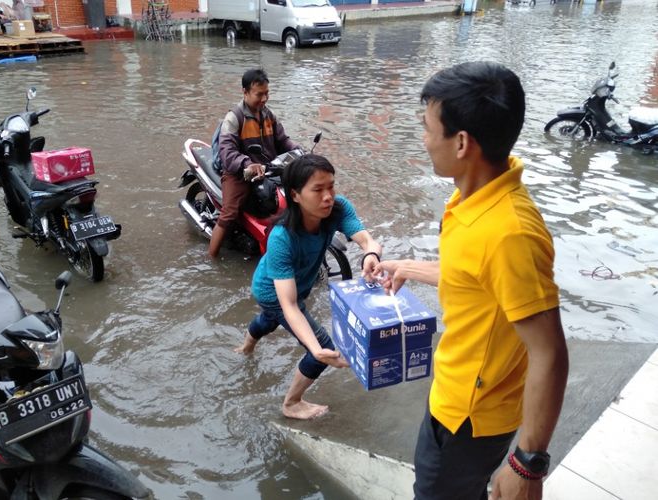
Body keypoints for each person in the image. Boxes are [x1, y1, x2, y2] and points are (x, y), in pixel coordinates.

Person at [374, 61, 569, 500]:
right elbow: (477, 281)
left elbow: (550, 351)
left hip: (470, 420)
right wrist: (406, 267)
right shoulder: (473, 199)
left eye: (427, 128)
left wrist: (527, 464)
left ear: (462, 142)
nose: (423, 141)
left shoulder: (510, 233)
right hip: (452, 392)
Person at [235, 154, 382, 420]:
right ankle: (291, 403)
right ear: (295, 195)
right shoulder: (281, 238)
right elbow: (289, 305)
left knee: (269, 322)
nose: (328, 196)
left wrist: (371, 254)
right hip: (272, 292)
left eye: (331, 186)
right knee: (320, 347)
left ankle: (246, 346)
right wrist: (315, 348)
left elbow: (365, 238)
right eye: (317, 189)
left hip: (297, 286)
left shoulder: (337, 209)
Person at [209, 68, 300, 258]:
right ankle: (211, 258)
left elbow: (283, 141)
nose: (264, 98)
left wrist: (299, 152)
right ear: (245, 92)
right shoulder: (234, 118)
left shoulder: (268, 115)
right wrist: (247, 164)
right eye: (260, 94)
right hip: (239, 173)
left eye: (267, 93)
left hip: (268, 169)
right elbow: (228, 153)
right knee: (229, 214)